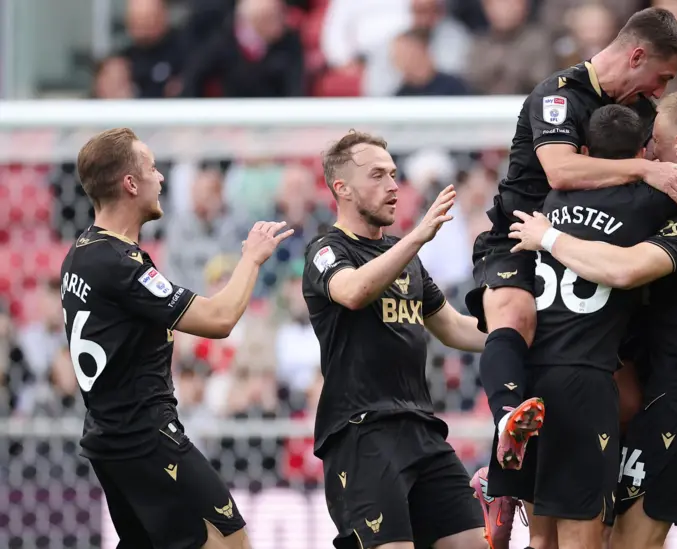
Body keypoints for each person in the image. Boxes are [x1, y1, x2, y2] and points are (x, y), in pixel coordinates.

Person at [466, 6, 677, 481]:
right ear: (636, 55)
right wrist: (644, 169)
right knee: (517, 317)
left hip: (600, 249)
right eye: (660, 77)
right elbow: (560, 170)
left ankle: (601, 482)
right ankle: (503, 455)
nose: (661, 91)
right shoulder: (557, 96)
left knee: (625, 391)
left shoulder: (645, 113)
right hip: (522, 235)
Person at [510, 90, 677, 549]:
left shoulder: (553, 202)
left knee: (590, 541)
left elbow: (621, 267)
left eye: (659, 142)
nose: (654, 153)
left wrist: (548, 235)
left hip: (651, 396)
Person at [61, 128, 292, 549]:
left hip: (112, 438)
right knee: (232, 541)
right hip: (145, 438)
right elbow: (219, 319)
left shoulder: (80, 253)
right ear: (130, 184)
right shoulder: (118, 263)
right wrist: (252, 258)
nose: (161, 178)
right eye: (151, 168)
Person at [474, 104, 677, 549]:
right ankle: (499, 487)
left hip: (531, 382)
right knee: (582, 539)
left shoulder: (549, 204)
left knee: (541, 540)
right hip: (585, 384)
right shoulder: (646, 205)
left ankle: (498, 485)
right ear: (643, 153)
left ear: (586, 151)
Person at [303, 131, 489, 549]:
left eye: (393, 173)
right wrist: (417, 236)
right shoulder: (325, 250)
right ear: (342, 188)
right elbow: (352, 292)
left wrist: (521, 338)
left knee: (476, 543)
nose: (392, 185)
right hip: (363, 433)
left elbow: (454, 327)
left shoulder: (406, 258)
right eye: (377, 175)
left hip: (422, 430)